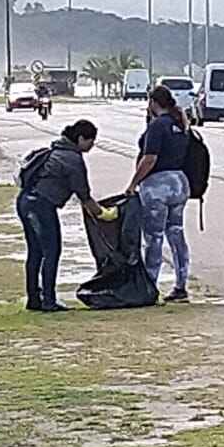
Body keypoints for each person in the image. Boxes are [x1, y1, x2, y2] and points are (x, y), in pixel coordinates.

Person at [17, 120, 117, 312]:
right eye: (90, 141)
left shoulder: (55, 150)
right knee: (51, 251)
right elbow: (84, 196)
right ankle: (48, 300)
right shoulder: (72, 159)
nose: (92, 145)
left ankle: (34, 299)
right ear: (80, 139)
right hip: (41, 206)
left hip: (25, 202)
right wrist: (105, 215)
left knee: (36, 252)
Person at [127, 85, 193, 303]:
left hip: (158, 186)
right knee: (176, 234)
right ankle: (181, 285)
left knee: (153, 238)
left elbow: (150, 159)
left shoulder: (158, 126)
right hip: (180, 184)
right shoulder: (180, 123)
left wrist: (133, 183)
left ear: (154, 103)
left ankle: (150, 286)